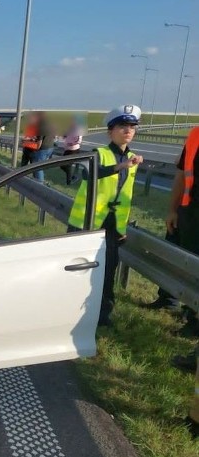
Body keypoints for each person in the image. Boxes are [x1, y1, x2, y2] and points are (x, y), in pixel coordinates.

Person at [67, 105, 144, 327]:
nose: (127, 130)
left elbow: (125, 195)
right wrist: (120, 166)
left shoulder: (132, 158)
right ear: (110, 131)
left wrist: (122, 228)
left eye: (131, 127)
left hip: (112, 226)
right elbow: (89, 174)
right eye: (122, 126)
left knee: (108, 271)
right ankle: (71, 312)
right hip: (87, 222)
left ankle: (102, 315)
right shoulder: (98, 154)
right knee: (78, 271)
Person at [145, 126, 199, 341]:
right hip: (189, 211)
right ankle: (171, 301)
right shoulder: (196, 134)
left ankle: (194, 323)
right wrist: (172, 209)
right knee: (185, 262)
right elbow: (181, 174)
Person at [59, 116, 85, 185]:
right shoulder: (70, 128)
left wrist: (72, 143)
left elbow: (79, 140)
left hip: (74, 150)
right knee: (61, 165)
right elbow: (65, 136)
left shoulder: (79, 129)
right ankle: (72, 177)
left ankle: (69, 181)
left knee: (67, 165)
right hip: (67, 149)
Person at [32, 112, 56, 181]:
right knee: (36, 163)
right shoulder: (49, 124)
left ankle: (40, 183)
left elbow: (40, 142)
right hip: (50, 147)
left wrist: (36, 148)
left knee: (38, 166)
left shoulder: (40, 126)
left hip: (44, 148)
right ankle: (36, 180)